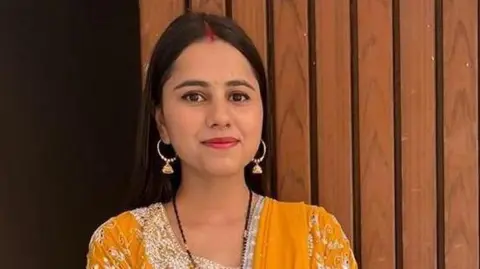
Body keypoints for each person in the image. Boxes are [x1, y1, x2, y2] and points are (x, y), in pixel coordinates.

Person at [86, 11, 357, 269]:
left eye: (238, 96)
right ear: (162, 122)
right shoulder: (121, 244)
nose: (220, 117)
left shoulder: (315, 237)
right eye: (194, 96)